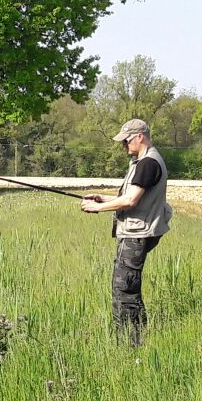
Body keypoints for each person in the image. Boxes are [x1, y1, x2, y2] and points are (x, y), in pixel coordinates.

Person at [80, 119, 172, 346]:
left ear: (139, 136)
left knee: (124, 289)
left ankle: (129, 342)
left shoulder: (148, 164)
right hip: (138, 231)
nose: (124, 146)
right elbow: (132, 196)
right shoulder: (144, 161)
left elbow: (131, 200)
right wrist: (104, 198)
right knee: (130, 287)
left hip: (136, 234)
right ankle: (139, 336)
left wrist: (98, 208)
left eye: (126, 141)